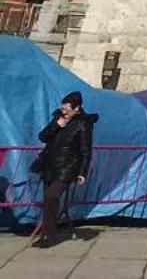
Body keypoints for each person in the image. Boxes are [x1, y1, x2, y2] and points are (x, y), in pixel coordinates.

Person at [28, 91, 94, 247]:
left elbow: (85, 150)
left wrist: (82, 172)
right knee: (47, 201)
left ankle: (49, 235)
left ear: (76, 108)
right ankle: (45, 234)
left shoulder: (83, 124)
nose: (63, 111)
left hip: (67, 167)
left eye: (66, 109)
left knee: (52, 197)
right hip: (50, 165)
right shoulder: (58, 118)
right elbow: (43, 136)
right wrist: (56, 126)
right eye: (62, 108)